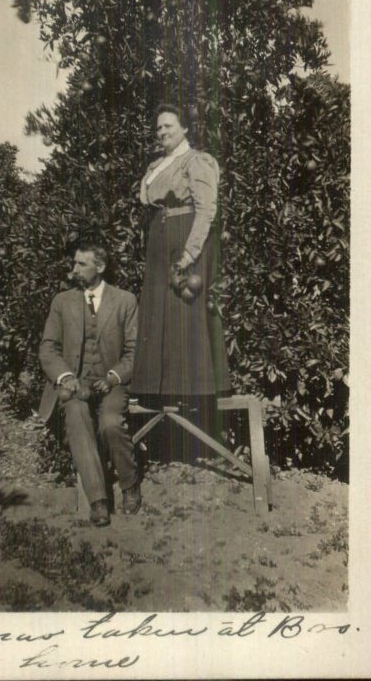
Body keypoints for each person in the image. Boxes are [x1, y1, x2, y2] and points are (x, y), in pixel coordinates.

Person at [131, 103, 231, 422]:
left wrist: (189, 254)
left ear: (185, 128)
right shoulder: (158, 165)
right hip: (160, 241)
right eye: (158, 127)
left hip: (186, 238)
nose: (162, 132)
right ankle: (158, 388)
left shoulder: (196, 161)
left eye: (169, 126)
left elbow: (206, 210)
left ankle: (195, 389)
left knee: (186, 310)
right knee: (160, 311)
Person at [39, 243, 141, 527]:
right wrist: (66, 378)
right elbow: (48, 348)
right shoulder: (62, 302)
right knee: (76, 416)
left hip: (112, 383)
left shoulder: (125, 300)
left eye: (81, 264)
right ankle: (98, 500)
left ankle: (130, 483)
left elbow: (135, 352)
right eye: (75, 263)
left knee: (110, 423)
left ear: (101, 267)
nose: (74, 270)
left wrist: (112, 378)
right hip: (75, 384)